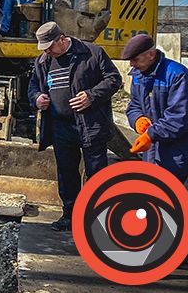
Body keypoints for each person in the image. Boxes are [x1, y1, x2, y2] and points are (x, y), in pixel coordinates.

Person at [28, 21, 123, 231]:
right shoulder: (43, 61)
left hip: (91, 124)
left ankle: (95, 219)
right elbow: (33, 86)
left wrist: (91, 96)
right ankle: (69, 215)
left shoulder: (92, 53)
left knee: (96, 173)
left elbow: (114, 79)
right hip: (61, 127)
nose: (47, 52)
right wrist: (37, 98)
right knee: (66, 172)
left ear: (62, 39)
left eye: (50, 47)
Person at [123, 34, 188, 181]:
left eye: (135, 59)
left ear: (151, 55)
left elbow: (180, 117)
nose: (132, 64)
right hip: (153, 150)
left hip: (178, 149)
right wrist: (138, 119)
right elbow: (134, 105)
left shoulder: (177, 75)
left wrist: (151, 134)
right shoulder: (138, 75)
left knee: (165, 193)